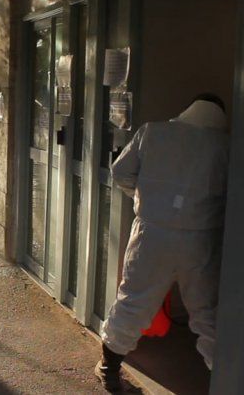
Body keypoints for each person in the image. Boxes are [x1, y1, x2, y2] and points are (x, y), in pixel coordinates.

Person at [95, 93, 229, 392]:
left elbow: (120, 172)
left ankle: (109, 369)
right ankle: (223, 380)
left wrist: (146, 198)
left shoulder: (152, 132)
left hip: (151, 233)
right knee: (207, 313)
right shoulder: (225, 146)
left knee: (133, 300)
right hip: (200, 239)